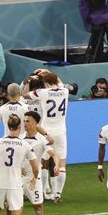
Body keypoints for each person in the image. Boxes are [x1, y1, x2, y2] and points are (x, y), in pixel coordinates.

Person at [23, 72, 70, 202]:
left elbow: (24, 95)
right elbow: (58, 82)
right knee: (61, 164)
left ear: (46, 83)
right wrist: (49, 73)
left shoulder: (42, 92)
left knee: (42, 162)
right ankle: (58, 194)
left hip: (45, 132)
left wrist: (27, 83)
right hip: (61, 132)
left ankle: (43, 191)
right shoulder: (65, 91)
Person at [16, 111, 59, 215]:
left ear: (35, 123)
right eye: (24, 121)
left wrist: (57, 164)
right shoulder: (20, 138)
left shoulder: (42, 140)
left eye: (28, 121)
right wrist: (18, 167)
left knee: (38, 209)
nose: (25, 123)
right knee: (14, 209)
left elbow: (54, 154)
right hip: (19, 179)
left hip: (35, 179)